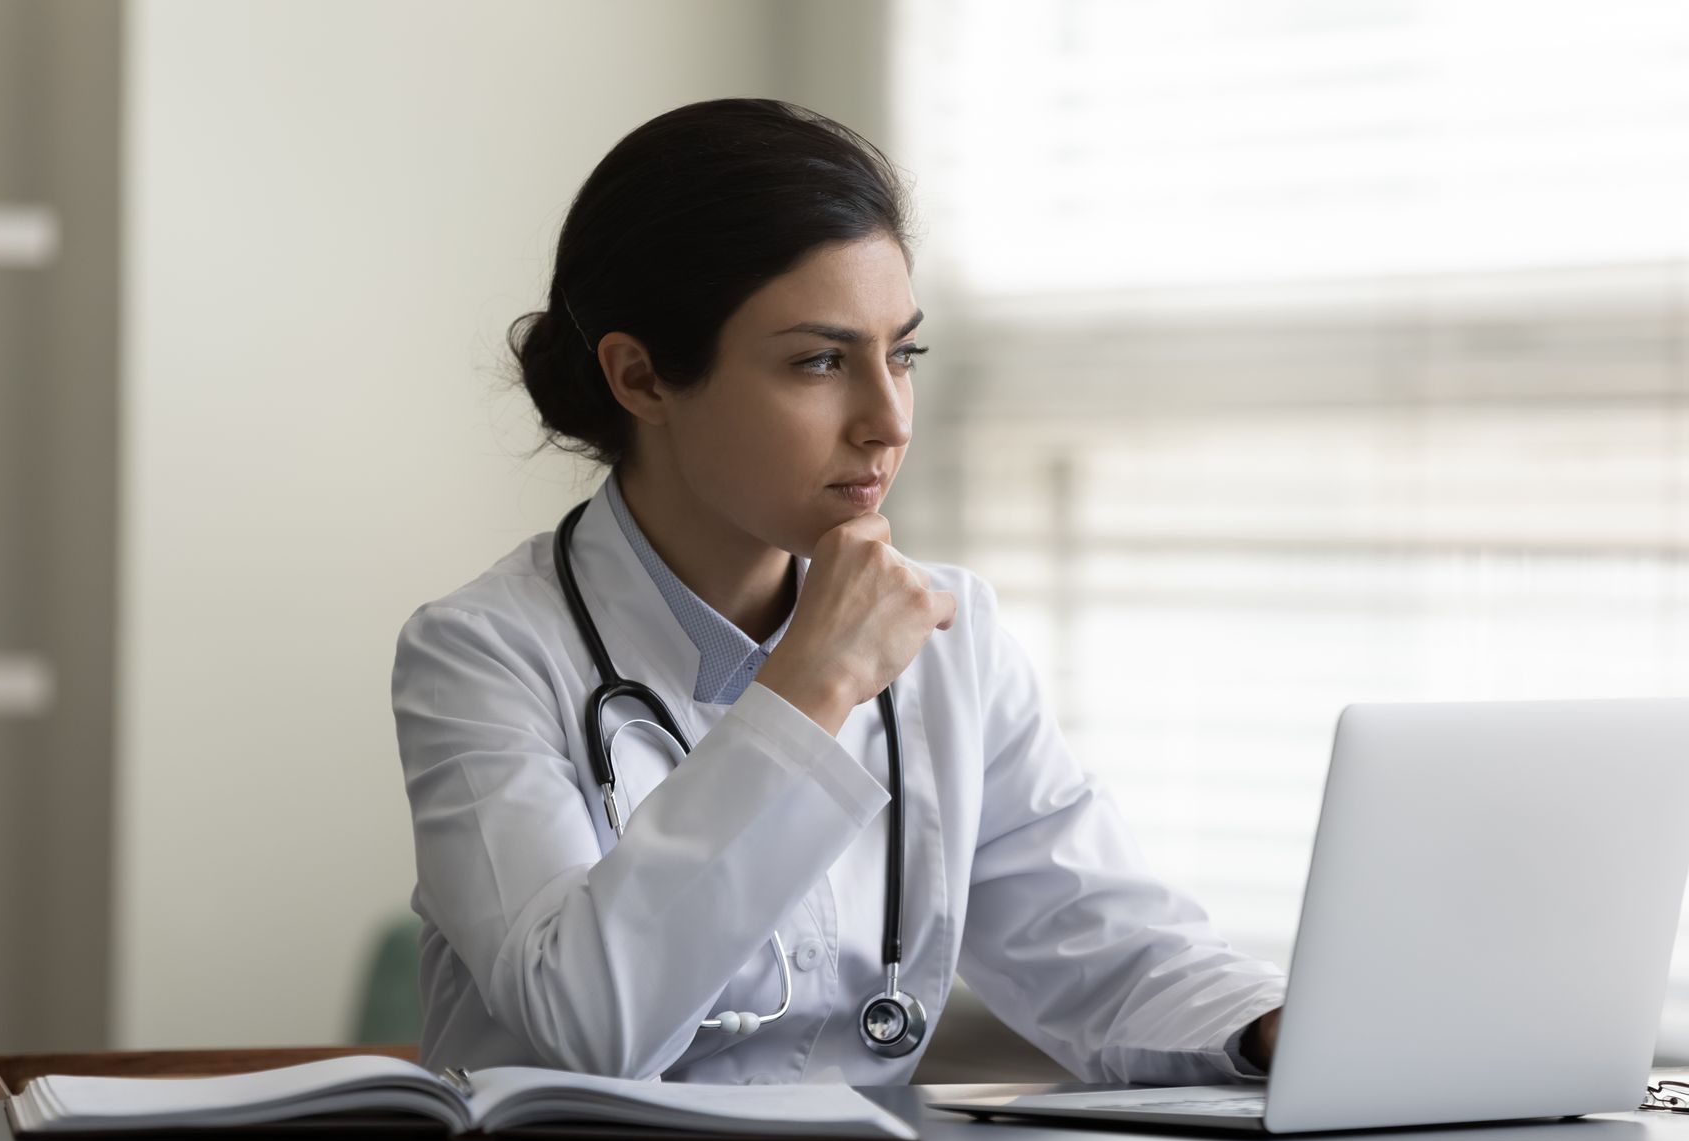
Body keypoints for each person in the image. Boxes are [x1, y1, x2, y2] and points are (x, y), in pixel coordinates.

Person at [391, 98, 1285, 1084]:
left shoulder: (950, 635)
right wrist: (812, 686)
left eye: (902, 353)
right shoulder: (480, 653)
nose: (889, 420)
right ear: (640, 378)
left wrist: (1272, 1027)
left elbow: (1105, 954)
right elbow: (587, 1021)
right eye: (819, 361)